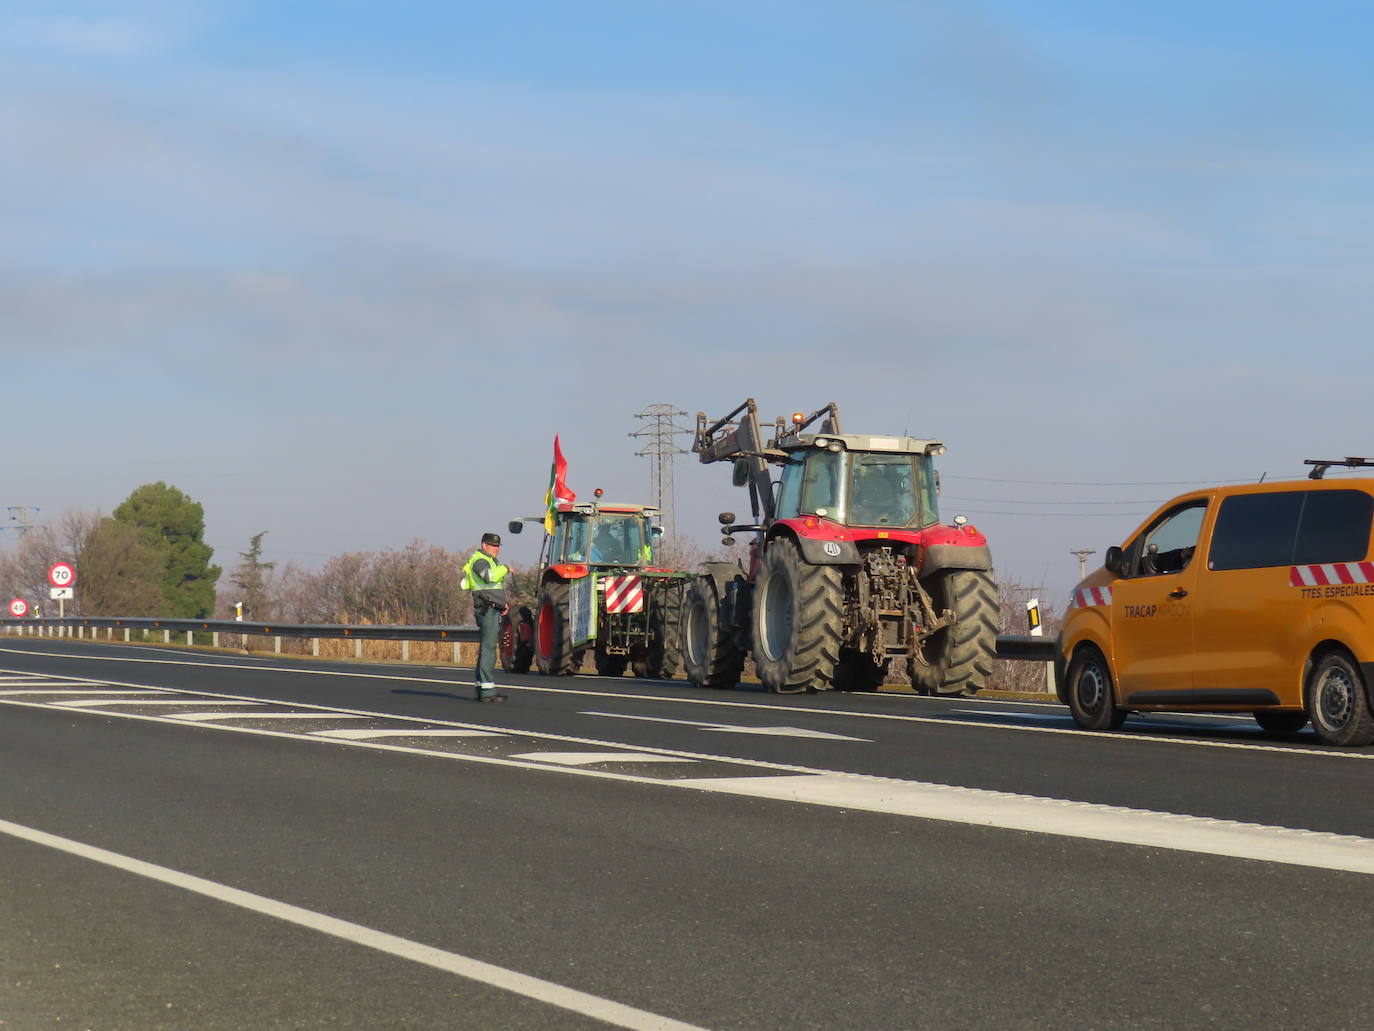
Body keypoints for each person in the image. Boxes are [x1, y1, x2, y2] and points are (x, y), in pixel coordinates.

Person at [461, 532, 510, 702]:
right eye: (493, 546)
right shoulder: (480, 561)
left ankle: (481, 689)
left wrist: (503, 604)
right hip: (486, 610)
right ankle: (488, 692)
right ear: (484, 546)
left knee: (486, 649)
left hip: (492, 608)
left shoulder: (488, 560)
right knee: (489, 649)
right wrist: (505, 568)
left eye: (498, 546)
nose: (497, 549)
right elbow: (489, 578)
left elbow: (493, 588)